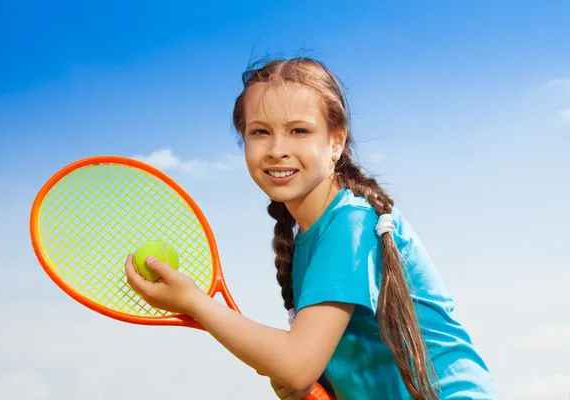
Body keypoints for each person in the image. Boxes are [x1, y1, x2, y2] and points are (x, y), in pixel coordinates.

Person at [124, 57, 500, 399]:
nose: (276, 149)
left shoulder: (350, 223)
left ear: (336, 142)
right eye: (260, 132)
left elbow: (296, 364)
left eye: (299, 131)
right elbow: (313, 368)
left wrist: (193, 302)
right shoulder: (310, 238)